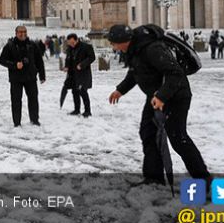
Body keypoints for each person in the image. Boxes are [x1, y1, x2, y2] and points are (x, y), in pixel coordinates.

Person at [107, 24, 210, 185]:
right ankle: (153, 177)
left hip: (175, 96)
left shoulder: (152, 48)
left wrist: (162, 96)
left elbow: (175, 73)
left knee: (178, 138)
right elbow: (135, 73)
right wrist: (120, 90)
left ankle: (204, 179)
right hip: (155, 97)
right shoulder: (135, 50)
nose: (113, 47)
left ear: (123, 41)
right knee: (148, 133)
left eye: (113, 43)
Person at [0, 26, 46, 127]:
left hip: (30, 77)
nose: (23, 34)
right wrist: (14, 65)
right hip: (16, 78)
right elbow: (2, 60)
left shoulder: (32, 45)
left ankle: (34, 120)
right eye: (20, 32)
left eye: (24, 32)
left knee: (33, 99)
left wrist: (42, 75)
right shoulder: (10, 45)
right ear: (16, 33)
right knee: (16, 100)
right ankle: (17, 122)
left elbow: (39, 61)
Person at [60, 34, 96, 117]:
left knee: (83, 91)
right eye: (69, 43)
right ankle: (77, 109)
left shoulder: (86, 47)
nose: (71, 44)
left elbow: (92, 57)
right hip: (72, 74)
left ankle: (87, 111)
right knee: (74, 92)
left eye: (72, 42)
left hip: (83, 74)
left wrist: (82, 64)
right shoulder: (69, 48)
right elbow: (68, 58)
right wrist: (66, 67)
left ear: (77, 40)